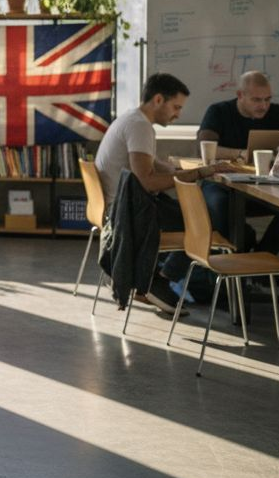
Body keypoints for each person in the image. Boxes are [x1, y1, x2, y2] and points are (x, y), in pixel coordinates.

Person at [94, 72, 235, 314]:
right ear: (158, 100)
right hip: (126, 213)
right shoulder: (140, 126)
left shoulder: (131, 119)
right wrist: (199, 174)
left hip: (120, 206)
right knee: (206, 220)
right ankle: (160, 280)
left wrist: (177, 169)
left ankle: (155, 277)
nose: (178, 114)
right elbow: (147, 182)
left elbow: (148, 162)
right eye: (176, 107)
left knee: (191, 212)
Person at [195, 70, 279, 254]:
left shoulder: (278, 113)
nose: (264, 106)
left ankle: (263, 258)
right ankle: (238, 262)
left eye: (267, 99)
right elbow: (204, 148)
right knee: (220, 207)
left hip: (264, 187)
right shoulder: (219, 111)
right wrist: (240, 154)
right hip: (221, 185)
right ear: (240, 95)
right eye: (257, 100)